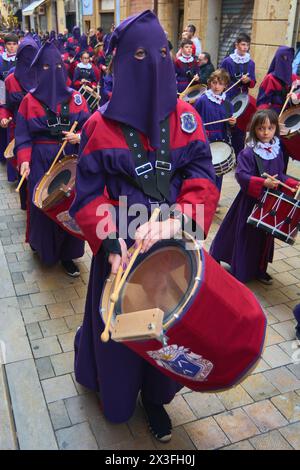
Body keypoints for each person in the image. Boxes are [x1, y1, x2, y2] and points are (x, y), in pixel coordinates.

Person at [69, 10, 218, 442]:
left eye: (159, 54)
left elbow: (203, 178)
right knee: (117, 337)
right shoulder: (99, 125)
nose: (151, 64)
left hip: (171, 253)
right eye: (138, 55)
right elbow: (88, 194)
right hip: (118, 254)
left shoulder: (186, 117)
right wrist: (110, 242)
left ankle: (155, 398)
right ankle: (112, 389)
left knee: (166, 332)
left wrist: (178, 218)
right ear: (119, 62)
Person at [15, 41, 91, 276]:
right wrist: (24, 160)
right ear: (39, 70)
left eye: (57, 66)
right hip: (41, 159)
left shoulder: (77, 98)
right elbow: (23, 135)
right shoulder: (29, 101)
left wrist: (78, 137)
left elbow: (90, 129)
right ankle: (45, 250)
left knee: (69, 207)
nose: (53, 72)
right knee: (43, 205)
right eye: (47, 68)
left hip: (69, 159)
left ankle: (68, 256)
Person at [210, 109, 299, 285]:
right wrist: (262, 182)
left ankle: (259, 269)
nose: (266, 132)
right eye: (261, 128)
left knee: (264, 237)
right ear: (254, 130)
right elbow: (241, 175)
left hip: (269, 202)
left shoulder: (277, 151)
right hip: (249, 201)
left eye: (270, 128)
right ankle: (241, 270)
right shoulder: (248, 153)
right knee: (244, 235)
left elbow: (280, 175)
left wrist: (292, 183)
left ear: (276, 129)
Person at [0, 36, 39, 205]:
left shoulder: (45, 76)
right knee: (21, 166)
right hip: (17, 130)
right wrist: (3, 117)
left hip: (41, 134)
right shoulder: (9, 79)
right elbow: (5, 104)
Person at [194, 69, 236, 193]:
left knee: (219, 170)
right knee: (205, 170)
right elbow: (194, 119)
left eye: (220, 83)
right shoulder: (202, 100)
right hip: (205, 139)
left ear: (225, 86)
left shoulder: (228, 104)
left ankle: (214, 197)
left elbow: (229, 126)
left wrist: (232, 123)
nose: (217, 86)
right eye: (214, 82)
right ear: (209, 83)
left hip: (221, 140)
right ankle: (203, 196)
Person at [220, 33, 256, 156]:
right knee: (228, 125)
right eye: (243, 44)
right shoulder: (227, 61)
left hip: (243, 100)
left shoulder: (250, 63)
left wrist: (249, 81)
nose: (245, 47)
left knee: (240, 128)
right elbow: (220, 79)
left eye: (247, 45)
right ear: (237, 45)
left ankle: (239, 155)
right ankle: (225, 153)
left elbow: (253, 83)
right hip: (229, 98)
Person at [257, 46, 298, 114]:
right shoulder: (270, 79)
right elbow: (262, 103)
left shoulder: (294, 78)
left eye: (289, 59)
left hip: (289, 116)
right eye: (284, 58)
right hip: (272, 117)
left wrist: (295, 99)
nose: (287, 61)